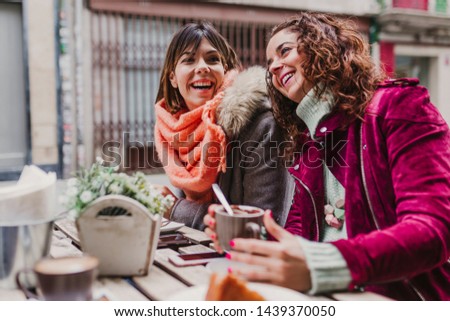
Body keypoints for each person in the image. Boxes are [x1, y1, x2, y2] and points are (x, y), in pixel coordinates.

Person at [204, 12, 450, 300]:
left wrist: (324, 262)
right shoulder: (308, 143)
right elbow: (300, 234)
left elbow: (433, 231)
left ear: (323, 47)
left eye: (285, 51)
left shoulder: (399, 107)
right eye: (269, 63)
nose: (274, 67)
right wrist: (250, 237)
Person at [154, 22, 293, 231]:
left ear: (225, 69)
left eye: (212, 59)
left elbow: (260, 228)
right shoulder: (177, 131)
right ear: (173, 78)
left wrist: (175, 209)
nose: (202, 67)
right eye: (188, 60)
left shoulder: (263, 126)